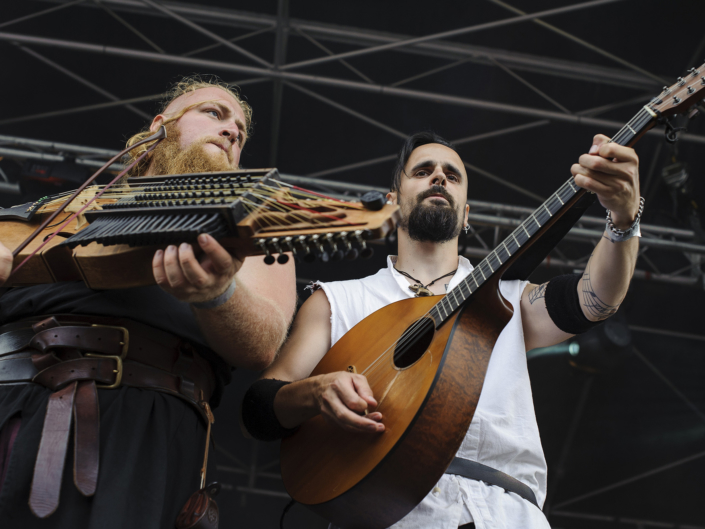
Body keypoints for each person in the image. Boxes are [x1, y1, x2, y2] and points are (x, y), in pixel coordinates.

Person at [242, 130, 641, 528]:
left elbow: (595, 299)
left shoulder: (508, 301)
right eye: (423, 171)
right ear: (393, 202)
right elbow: (261, 406)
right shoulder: (338, 301)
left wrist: (623, 221)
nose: (439, 178)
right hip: (384, 514)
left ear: (465, 214)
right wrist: (316, 391)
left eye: (452, 175)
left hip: (506, 514)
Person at [0, 76, 297, 528]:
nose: (233, 131)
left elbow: (263, 345)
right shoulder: (52, 211)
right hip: (13, 402)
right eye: (214, 114)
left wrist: (218, 293)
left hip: (146, 429)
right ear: (159, 128)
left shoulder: (254, 224)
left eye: (240, 131)